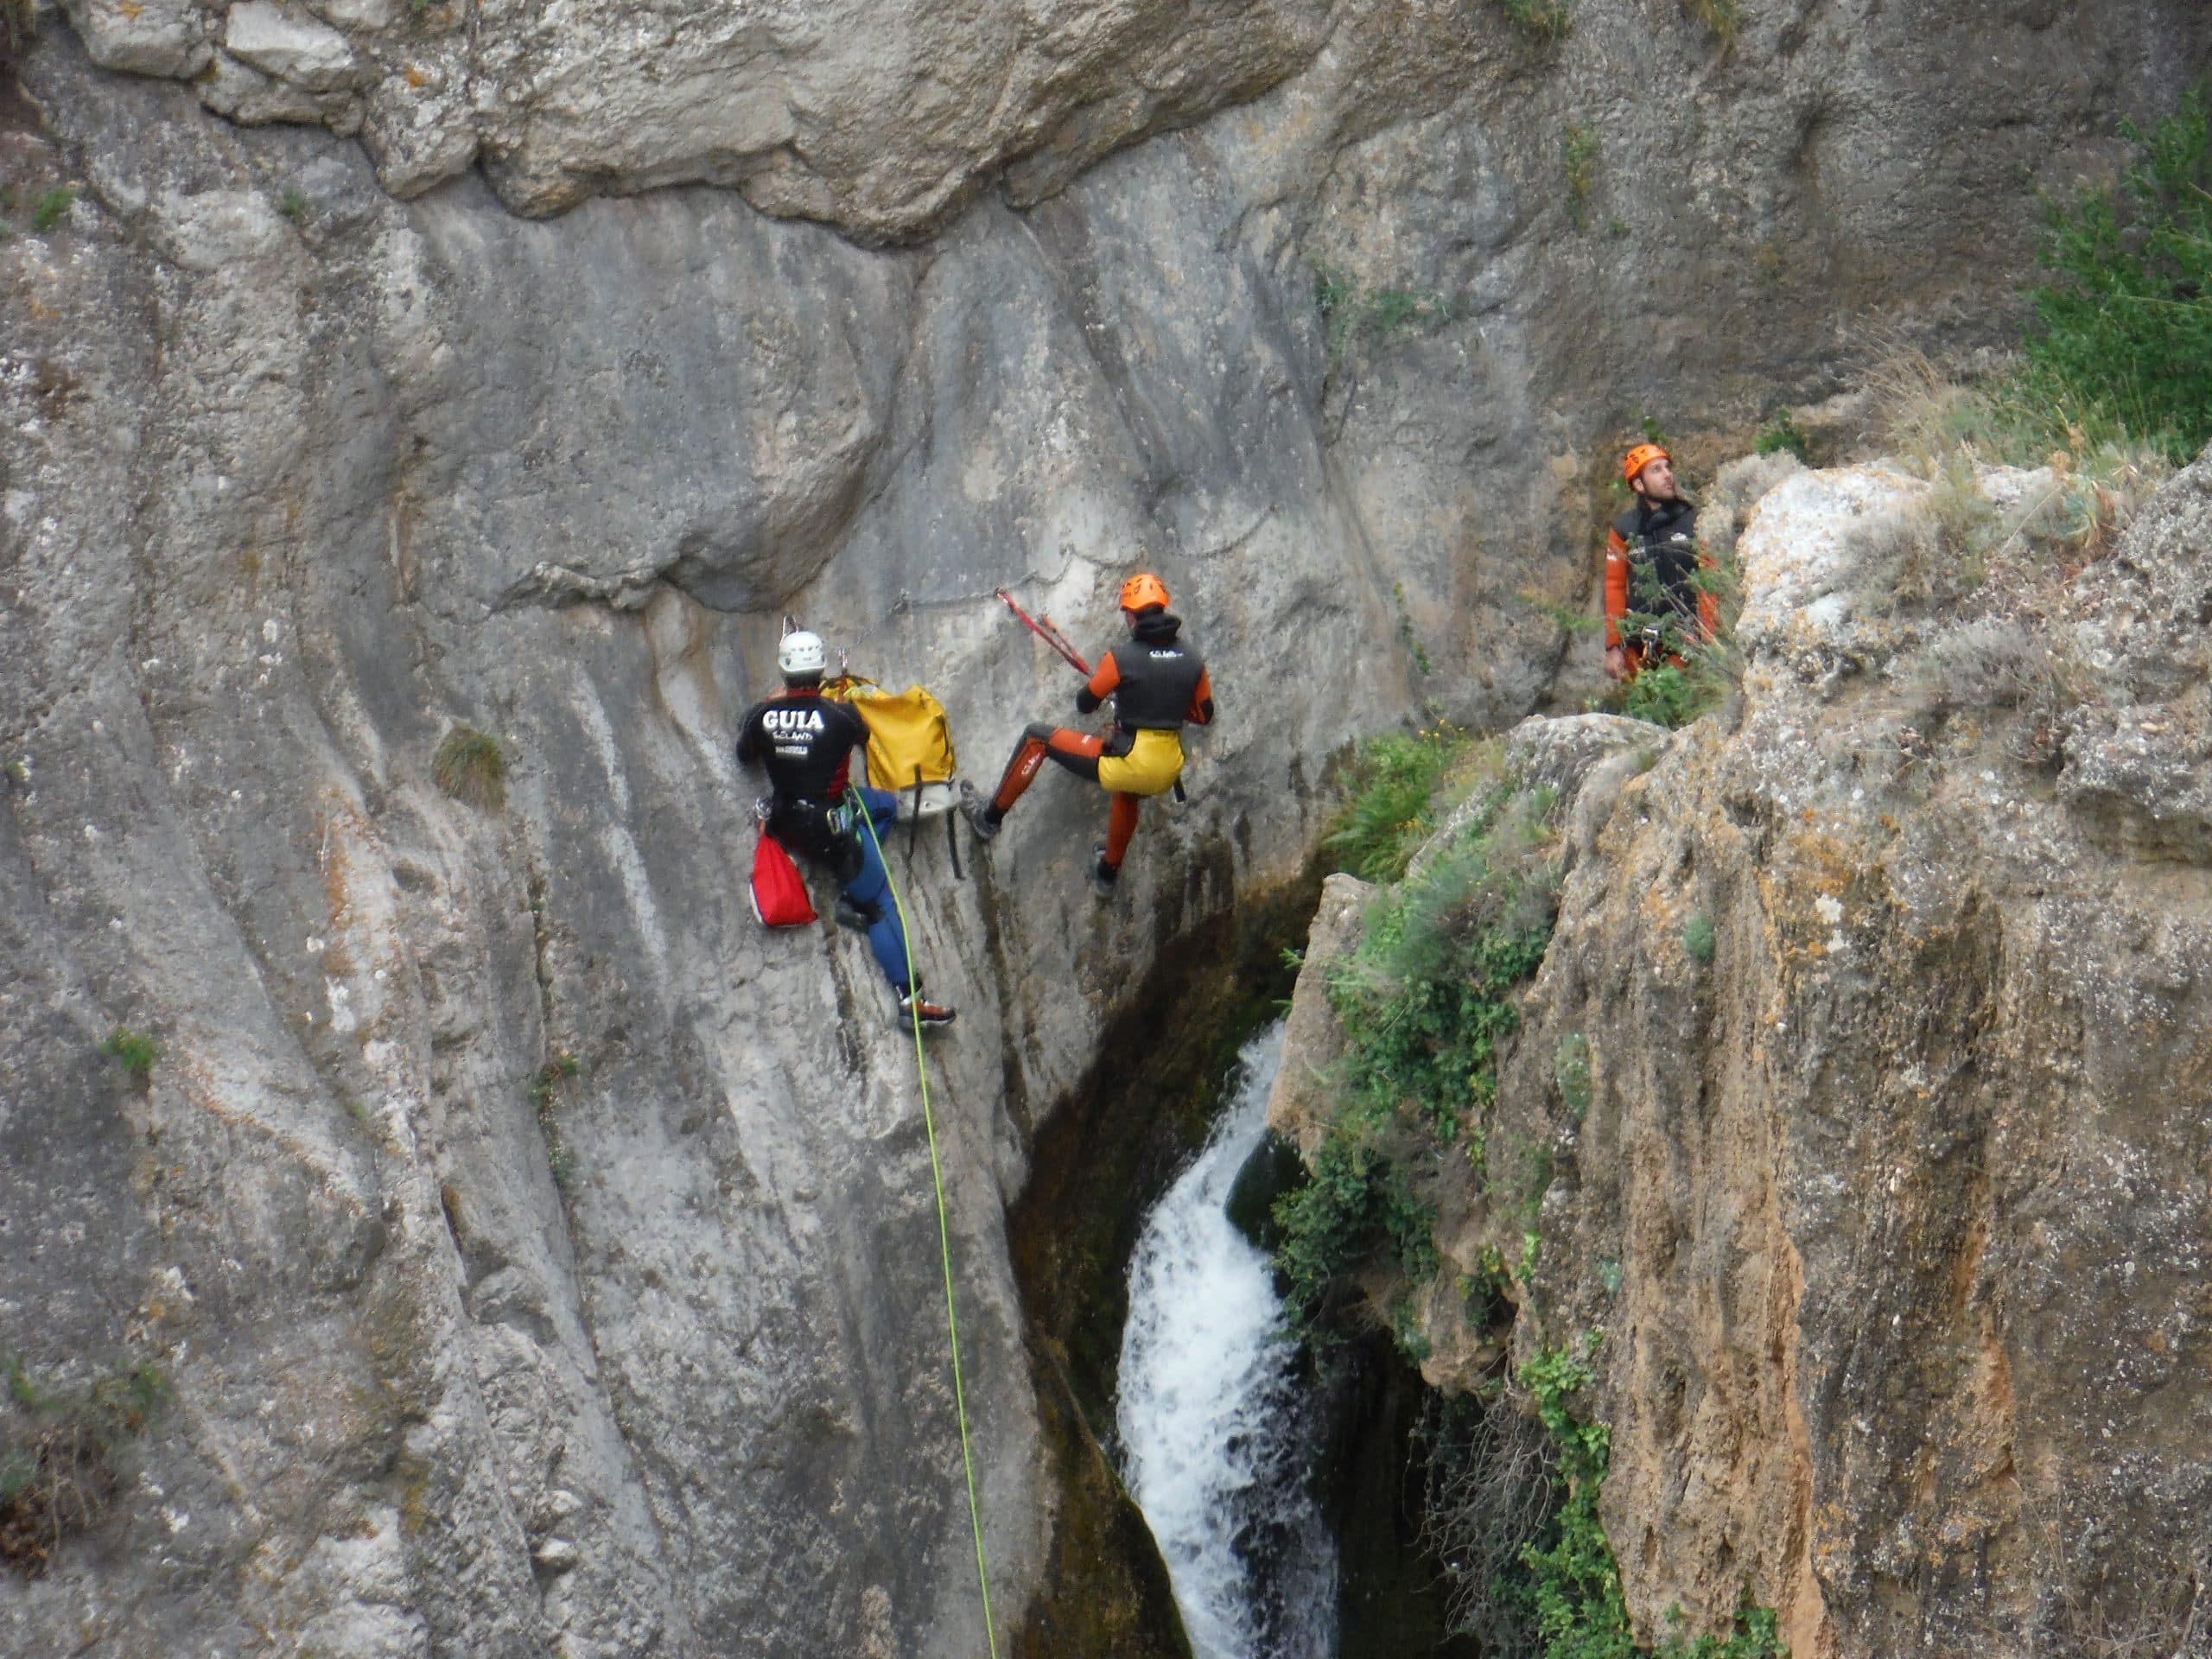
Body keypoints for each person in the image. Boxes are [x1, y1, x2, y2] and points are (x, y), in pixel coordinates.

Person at [737, 630, 954, 1028]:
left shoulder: (760, 716)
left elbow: (744, 753)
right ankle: (910, 999)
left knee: (883, 807)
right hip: (830, 830)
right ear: (820, 670)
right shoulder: (841, 717)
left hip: (786, 821)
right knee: (881, 903)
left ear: (783, 672)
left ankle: (857, 885)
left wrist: (774, 709)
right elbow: (863, 738)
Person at [959, 574, 1214, 899]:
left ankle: (988, 819)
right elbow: (1204, 715)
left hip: (1129, 760)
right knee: (1129, 792)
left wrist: (1125, 695)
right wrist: (1162, 706)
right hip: (1166, 770)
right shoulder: (1192, 659)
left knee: (1036, 738)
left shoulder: (1121, 658)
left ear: (1132, 616)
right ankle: (1107, 874)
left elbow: (1085, 704)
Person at [1605, 442, 1717, 682]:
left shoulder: (1694, 521)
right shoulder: (1624, 529)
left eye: (1668, 468)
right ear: (1638, 484)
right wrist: (1614, 646)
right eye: (1656, 470)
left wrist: (1708, 638)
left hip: (1686, 646)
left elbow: (1710, 582)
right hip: (1639, 648)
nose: (1668, 475)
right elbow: (1614, 585)